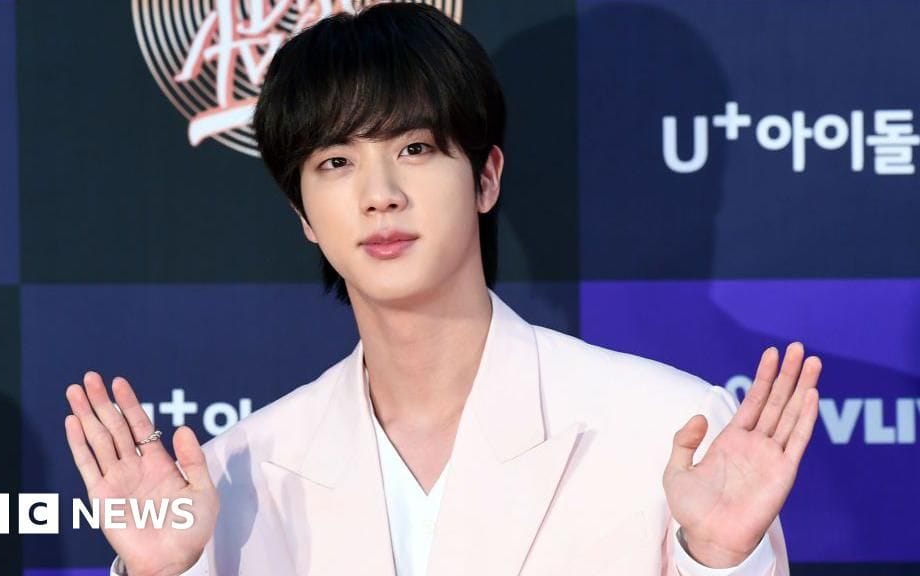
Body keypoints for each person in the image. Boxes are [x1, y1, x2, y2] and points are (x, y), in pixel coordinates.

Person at [63, 4, 822, 575]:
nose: (380, 195)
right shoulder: (235, 476)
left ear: (486, 177)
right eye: (336, 163)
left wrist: (720, 560)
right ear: (303, 216)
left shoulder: (664, 430)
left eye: (416, 148)